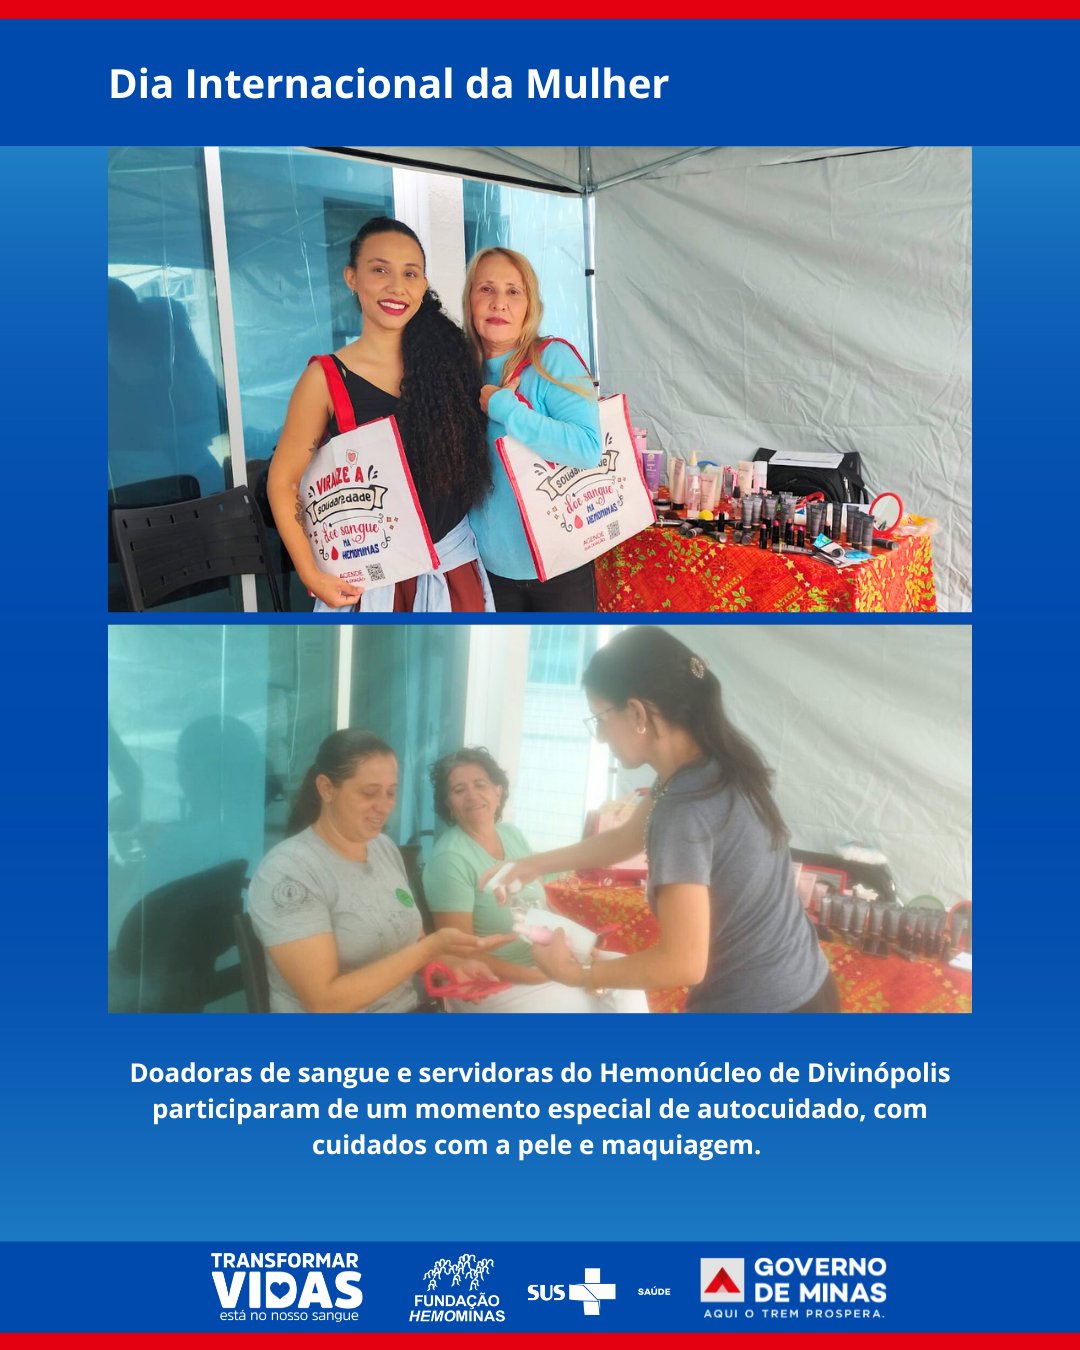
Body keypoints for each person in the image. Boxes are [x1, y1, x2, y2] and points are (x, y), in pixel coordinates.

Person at [485, 629, 840, 1014]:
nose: (601, 737)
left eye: (601, 719)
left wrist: (580, 974)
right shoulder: (712, 766)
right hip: (808, 985)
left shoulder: (684, 809)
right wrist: (533, 864)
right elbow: (625, 838)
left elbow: (683, 962)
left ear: (637, 713)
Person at [268, 217, 493, 613]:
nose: (396, 287)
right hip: (368, 584)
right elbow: (283, 481)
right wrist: (310, 573)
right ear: (352, 278)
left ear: (423, 286)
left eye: (410, 274)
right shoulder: (324, 378)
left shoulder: (452, 362)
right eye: (379, 270)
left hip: (453, 572)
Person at [247, 730, 504, 1012]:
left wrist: (454, 966)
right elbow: (324, 1001)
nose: (383, 807)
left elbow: (411, 940)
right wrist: (430, 948)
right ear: (326, 788)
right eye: (369, 793)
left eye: (390, 793)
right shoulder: (289, 871)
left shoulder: (383, 848)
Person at [423, 747, 647, 1013]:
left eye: (480, 785)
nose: (472, 795)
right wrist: (533, 975)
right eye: (459, 790)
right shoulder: (450, 859)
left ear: (498, 791)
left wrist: (575, 944)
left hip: (544, 964)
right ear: (448, 803)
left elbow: (540, 906)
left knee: (628, 978)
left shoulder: (511, 835)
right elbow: (460, 952)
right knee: (590, 1010)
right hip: (494, 983)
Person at [463, 247, 602, 613]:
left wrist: (508, 410)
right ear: (470, 300)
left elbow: (587, 448)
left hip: (560, 569)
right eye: (486, 289)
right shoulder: (459, 371)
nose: (499, 303)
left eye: (513, 291)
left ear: (529, 305)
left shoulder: (552, 359)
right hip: (489, 569)